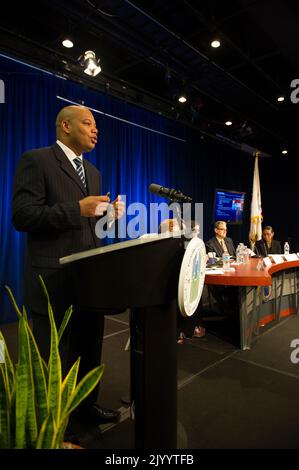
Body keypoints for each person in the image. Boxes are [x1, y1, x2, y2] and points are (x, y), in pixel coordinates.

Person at [12, 105, 125, 429]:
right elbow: (23, 216)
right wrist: (77, 209)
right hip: (52, 281)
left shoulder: (94, 172)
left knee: (89, 350)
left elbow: (87, 225)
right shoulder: (37, 160)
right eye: (88, 123)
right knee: (53, 358)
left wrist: (107, 215)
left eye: (96, 125)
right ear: (65, 125)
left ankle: (85, 408)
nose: (95, 130)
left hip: (89, 281)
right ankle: (52, 425)